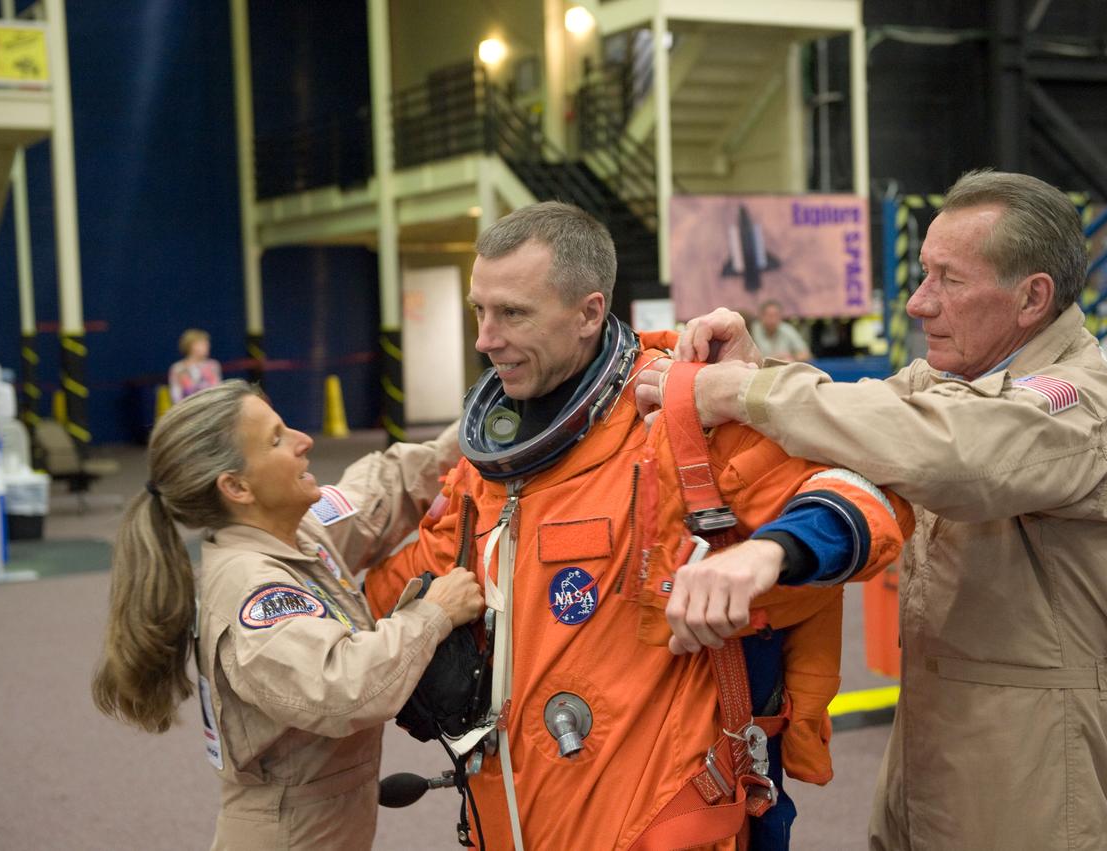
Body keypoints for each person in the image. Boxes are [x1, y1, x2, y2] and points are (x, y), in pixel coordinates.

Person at [636, 170, 1107, 851]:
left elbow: (947, 449)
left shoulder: (1079, 404)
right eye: (923, 274)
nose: (918, 303)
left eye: (949, 280)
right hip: (930, 738)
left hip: (1032, 759)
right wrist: (756, 369)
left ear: (1032, 297)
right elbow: (863, 413)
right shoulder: (955, 380)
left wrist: (742, 392)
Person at [363, 202, 912, 850]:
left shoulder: (681, 421)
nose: (485, 338)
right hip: (510, 819)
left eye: (512, 313)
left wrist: (767, 552)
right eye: (479, 310)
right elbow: (395, 592)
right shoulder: (487, 466)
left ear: (589, 313)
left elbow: (867, 496)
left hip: (652, 820)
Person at [91, 380, 483, 850]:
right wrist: (434, 613)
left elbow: (387, 484)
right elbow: (343, 687)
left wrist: (483, 423)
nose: (304, 440)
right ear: (236, 487)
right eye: (277, 439)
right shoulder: (250, 587)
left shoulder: (298, 535)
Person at [168, 328, 223, 402]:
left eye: (207, 344)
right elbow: (176, 395)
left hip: (210, 406)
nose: (208, 347)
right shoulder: (178, 368)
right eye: (203, 344)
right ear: (191, 346)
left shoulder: (213, 365)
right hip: (188, 407)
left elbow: (217, 391)